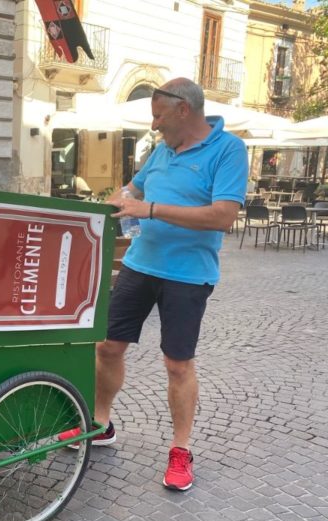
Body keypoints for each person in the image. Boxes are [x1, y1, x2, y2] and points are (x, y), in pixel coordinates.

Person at [84, 78, 247, 491]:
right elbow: (133, 191)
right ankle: (101, 424)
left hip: (189, 275)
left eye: (158, 115)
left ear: (183, 110)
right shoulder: (160, 151)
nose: (154, 124)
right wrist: (113, 202)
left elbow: (223, 216)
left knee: (177, 364)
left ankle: (180, 449)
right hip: (141, 265)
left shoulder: (228, 150)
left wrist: (150, 209)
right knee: (107, 346)